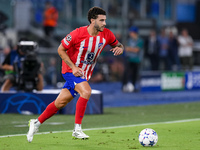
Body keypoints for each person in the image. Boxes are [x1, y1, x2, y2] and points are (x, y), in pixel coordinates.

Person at [27, 6, 124, 142]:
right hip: (70, 71)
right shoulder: (77, 33)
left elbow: (118, 45)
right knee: (86, 92)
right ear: (92, 20)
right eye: (101, 20)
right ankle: (77, 129)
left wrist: (120, 48)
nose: (105, 23)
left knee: (60, 103)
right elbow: (60, 50)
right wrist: (73, 67)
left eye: (105, 20)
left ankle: (36, 123)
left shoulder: (107, 34)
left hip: (84, 74)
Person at [122, 26, 144, 92]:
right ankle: (124, 86)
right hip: (129, 59)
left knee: (135, 73)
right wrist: (131, 49)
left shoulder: (140, 40)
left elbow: (137, 50)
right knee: (126, 73)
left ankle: (133, 86)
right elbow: (126, 48)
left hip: (136, 60)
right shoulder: (129, 40)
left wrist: (130, 49)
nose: (130, 33)